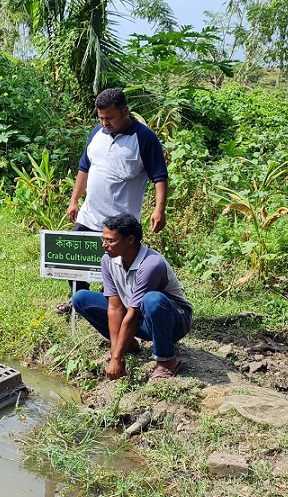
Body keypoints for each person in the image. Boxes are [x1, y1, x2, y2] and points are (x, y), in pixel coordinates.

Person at [55, 87, 169, 315]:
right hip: (90, 214)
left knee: (123, 267)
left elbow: (159, 176)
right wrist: (74, 200)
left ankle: (126, 306)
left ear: (125, 111)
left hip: (121, 222)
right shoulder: (96, 133)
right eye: (101, 117)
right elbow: (83, 168)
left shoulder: (144, 138)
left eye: (110, 117)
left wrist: (159, 210)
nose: (105, 122)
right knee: (71, 259)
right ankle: (77, 299)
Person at [71, 213, 191, 382]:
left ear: (130, 240)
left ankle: (168, 361)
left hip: (171, 322)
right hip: (138, 317)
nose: (104, 245)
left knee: (152, 300)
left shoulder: (151, 264)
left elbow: (133, 313)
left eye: (111, 240)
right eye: (103, 239)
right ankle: (129, 345)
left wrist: (115, 360)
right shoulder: (108, 260)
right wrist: (116, 354)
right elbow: (115, 307)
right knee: (81, 298)